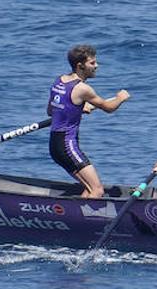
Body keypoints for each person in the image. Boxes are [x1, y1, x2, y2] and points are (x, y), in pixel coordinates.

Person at [47, 44, 130, 197]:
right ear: (80, 66)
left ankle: (76, 216)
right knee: (98, 190)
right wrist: (121, 98)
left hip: (55, 145)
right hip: (67, 146)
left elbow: (51, 111)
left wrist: (77, 107)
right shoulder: (83, 89)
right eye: (92, 63)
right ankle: (89, 219)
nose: (96, 66)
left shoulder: (59, 81)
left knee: (89, 189)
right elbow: (108, 108)